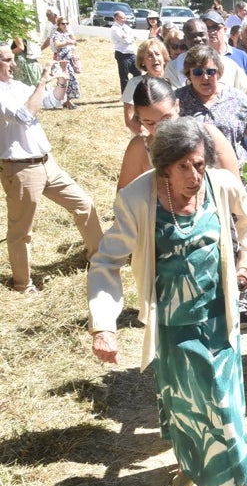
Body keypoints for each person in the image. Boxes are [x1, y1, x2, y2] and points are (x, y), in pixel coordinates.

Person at [88, 117, 247, 486]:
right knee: (183, 403)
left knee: (221, 399)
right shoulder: (137, 199)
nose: (194, 175)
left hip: (217, 316)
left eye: (199, 164)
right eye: (183, 166)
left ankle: (235, 485)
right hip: (171, 322)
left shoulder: (219, 185)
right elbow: (105, 262)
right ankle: (191, 464)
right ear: (164, 165)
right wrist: (104, 325)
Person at [0, 47, 102, 293]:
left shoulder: (17, 86)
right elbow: (25, 114)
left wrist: (62, 81)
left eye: (12, 59)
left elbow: (52, 101)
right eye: (7, 60)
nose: (13, 64)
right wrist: (43, 80)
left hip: (48, 163)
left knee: (84, 204)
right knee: (22, 231)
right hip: (21, 170)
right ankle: (23, 284)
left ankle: (100, 258)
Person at [119, 76, 240, 189]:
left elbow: (236, 189)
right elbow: (124, 202)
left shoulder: (209, 135)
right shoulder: (139, 148)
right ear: (139, 118)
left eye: (166, 118)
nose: (160, 128)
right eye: (149, 123)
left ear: (177, 105)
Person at [175, 45, 247, 161]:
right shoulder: (177, 101)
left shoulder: (237, 99)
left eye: (210, 72)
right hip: (193, 174)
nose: (205, 77)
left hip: (234, 174)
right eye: (198, 72)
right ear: (189, 74)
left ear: (218, 73)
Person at [121, 38, 172, 135]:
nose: (154, 58)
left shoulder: (174, 81)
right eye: (149, 56)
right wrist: (148, 139)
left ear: (164, 58)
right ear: (142, 62)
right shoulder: (133, 84)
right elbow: (129, 119)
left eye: (157, 54)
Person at [202, 10, 247, 79]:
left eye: (215, 27)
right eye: (207, 28)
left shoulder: (241, 56)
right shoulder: (199, 58)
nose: (211, 31)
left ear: (225, 29)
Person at [48, 16, 80, 108]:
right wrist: (67, 42)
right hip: (62, 61)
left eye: (67, 23)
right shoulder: (56, 34)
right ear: (59, 25)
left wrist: (71, 41)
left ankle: (67, 100)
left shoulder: (67, 33)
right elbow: (57, 44)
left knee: (71, 80)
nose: (65, 25)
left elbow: (75, 42)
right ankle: (66, 101)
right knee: (66, 80)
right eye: (63, 24)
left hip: (69, 59)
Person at [111, 10, 141, 93]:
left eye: (125, 17)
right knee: (124, 77)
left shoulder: (126, 27)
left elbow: (135, 36)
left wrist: (129, 36)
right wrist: (130, 38)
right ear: (116, 18)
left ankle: (136, 91)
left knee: (138, 73)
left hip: (132, 54)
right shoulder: (115, 29)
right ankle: (126, 95)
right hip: (122, 54)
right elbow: (126, 41)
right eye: (122, 17)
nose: (125, 19)